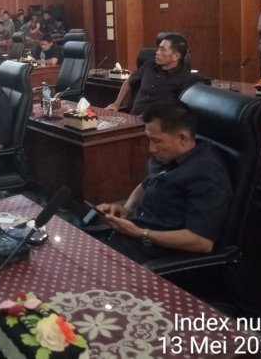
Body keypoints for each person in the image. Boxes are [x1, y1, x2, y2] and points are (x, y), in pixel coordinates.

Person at [95, 100, 231, 264]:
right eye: (149, 139)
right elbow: (145, 184)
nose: (151, 149)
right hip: (127, 239)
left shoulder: (207, 173)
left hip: (152, 256)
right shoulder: (167, 157)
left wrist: (139, 233)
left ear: (182, 138)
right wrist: (126, 209)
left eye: (157, 141)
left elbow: (202, 242)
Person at [106, 34, 197, 114]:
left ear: (176, 56)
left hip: (156, 126)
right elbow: (129, 81)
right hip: (133, 118)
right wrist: (116, 104)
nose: (157, 53)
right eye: (158, 48)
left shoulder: (184, 78)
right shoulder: (149, 65)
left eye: (162, 50)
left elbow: (180, 111)